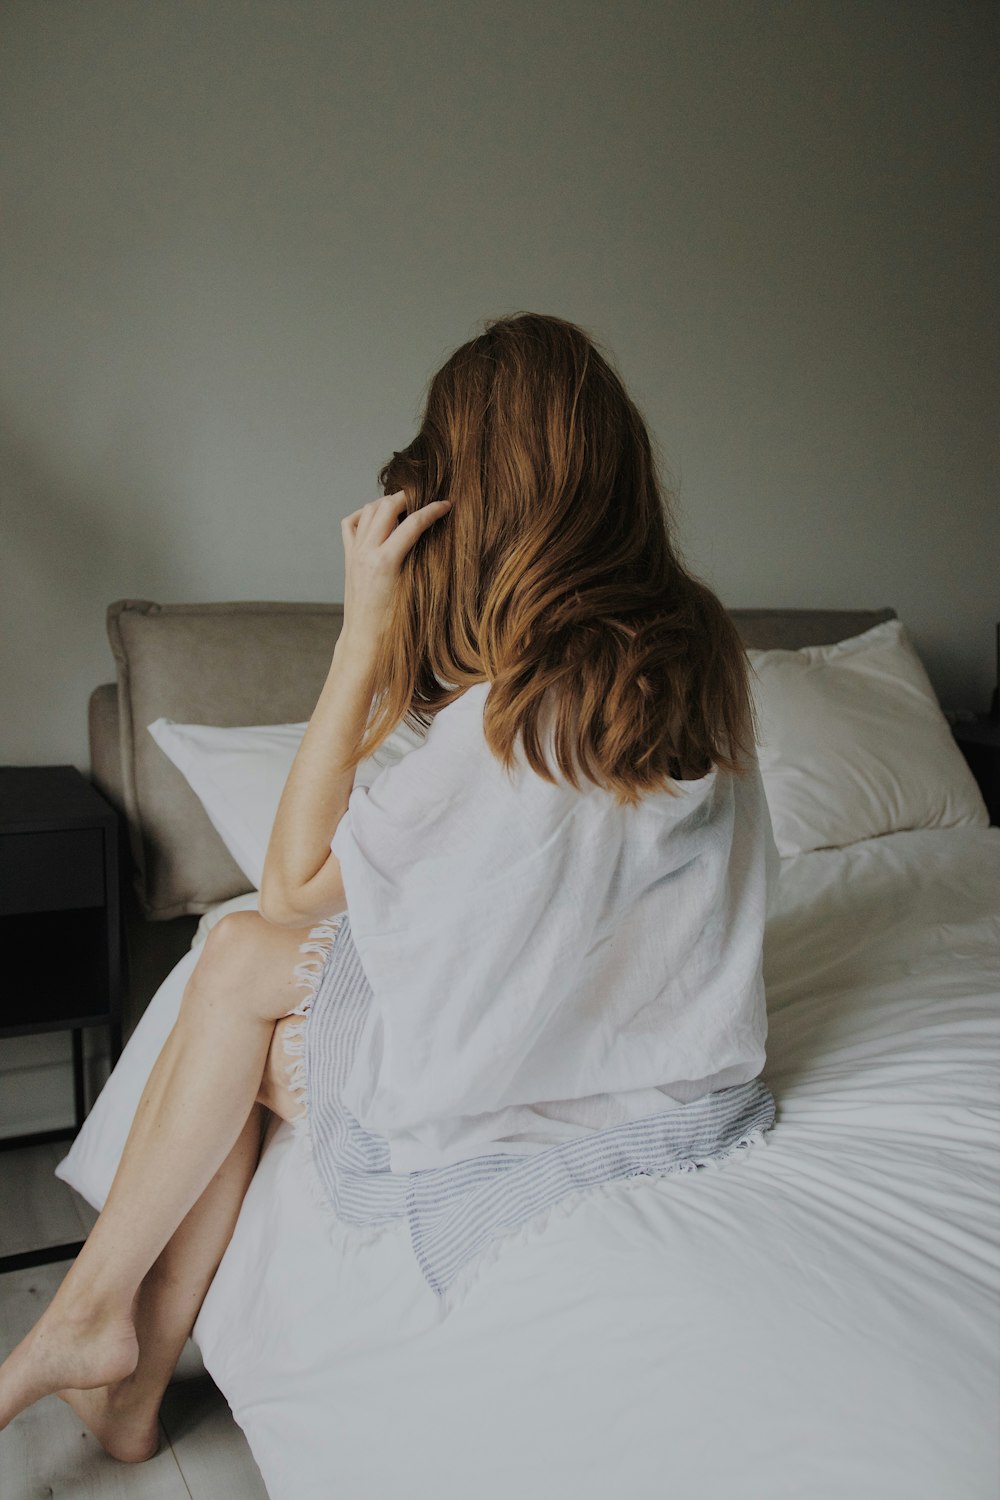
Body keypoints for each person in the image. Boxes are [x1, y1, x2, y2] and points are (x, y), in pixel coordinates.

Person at [0, 311, 773, 1462]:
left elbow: (292, 883)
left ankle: (93, 1324)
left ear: (479, 499)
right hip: (674, 1067)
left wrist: (361, 634)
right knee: (250, 988)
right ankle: (120, 1368)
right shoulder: (697, 655)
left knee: (236, 960)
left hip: (548, 1079)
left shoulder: (521, 711)